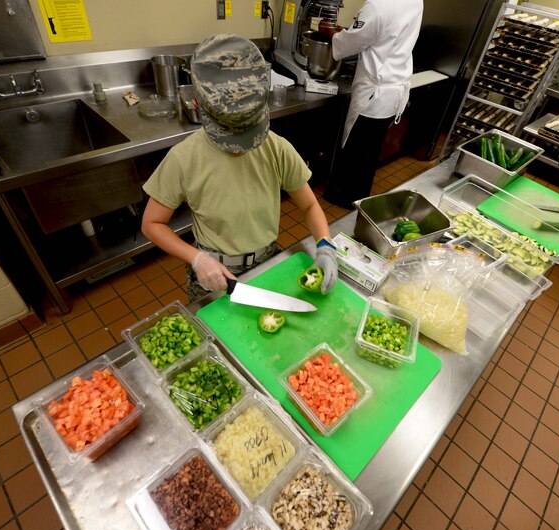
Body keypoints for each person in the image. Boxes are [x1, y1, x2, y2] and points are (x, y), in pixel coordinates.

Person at [141, 33, 338, 303]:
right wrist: (196, 258)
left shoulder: (276, 147)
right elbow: (152, 223)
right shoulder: (183, 158)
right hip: (215, 272)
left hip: (270, 261)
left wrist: (325, 246)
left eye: (247, 134)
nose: (240, 147)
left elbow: (309, 205)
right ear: (197, 105)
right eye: (230, 135)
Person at [319, 0, 424, 209]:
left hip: (374, 92)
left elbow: (350, 44)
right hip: (394, 88)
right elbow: (381, 33)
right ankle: (359, 194)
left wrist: (332, 34)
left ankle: (346, 197)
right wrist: (348, 32)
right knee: (370, 149)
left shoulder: (377, 6)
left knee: (358, 148)